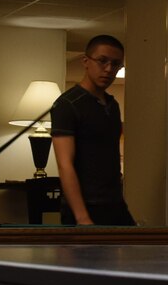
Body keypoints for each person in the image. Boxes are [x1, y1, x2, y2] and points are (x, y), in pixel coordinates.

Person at [50, 35, 134, 226]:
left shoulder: (112, 106)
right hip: (85, 208)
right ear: (86, 62)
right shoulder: (67, 104)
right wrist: (82, 217)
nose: (108, 69)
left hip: (114, 205)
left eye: (115, 64)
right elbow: (65, 165)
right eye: (102, 61)